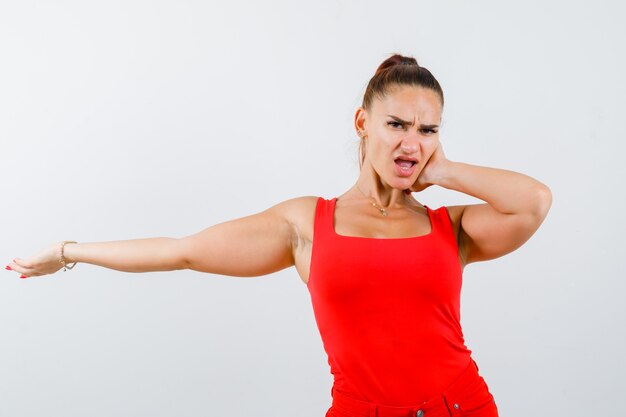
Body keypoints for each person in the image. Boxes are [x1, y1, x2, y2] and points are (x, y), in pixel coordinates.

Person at [5, 53, 551, 417]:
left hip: (464, 407)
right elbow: (184, 251)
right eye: (397, 125)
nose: (411, 142)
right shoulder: (305, 226)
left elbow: (534, 202)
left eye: (427, 129)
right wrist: (66, 250)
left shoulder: (448, 227)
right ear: (363, 123)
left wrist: (442, 170)